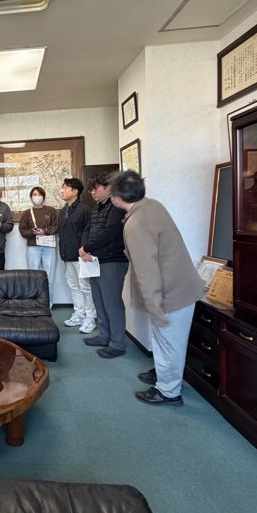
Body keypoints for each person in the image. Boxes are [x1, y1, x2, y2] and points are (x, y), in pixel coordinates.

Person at [109, 170, 204, 406]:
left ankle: (169, 392)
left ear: (117, 198)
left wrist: (155, 308)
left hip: (171, 292)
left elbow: (147, 271)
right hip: (181, 285)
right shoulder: (152, 205)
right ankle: (164, 374)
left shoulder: (136, 224)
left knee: (169, 342)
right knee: (165, 340)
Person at [78, 172, 129, 358]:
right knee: (99, 301)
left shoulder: (116, 207)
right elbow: (88, 230)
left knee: (112, 304)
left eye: (95, 188)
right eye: (90, 189)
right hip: (95, 261)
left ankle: (117, 344)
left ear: (108, 187)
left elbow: (109, 232)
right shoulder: (97, 208)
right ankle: (104, 335)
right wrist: (83, 248)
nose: (92, 192)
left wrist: (87, 248)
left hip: (112, 261)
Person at [57, 177, 96, 332]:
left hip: (82, 256)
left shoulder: (85, 210)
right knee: (74, 286)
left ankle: (90, 317)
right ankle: (79, 313)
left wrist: (86, 249)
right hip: (67, 256)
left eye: (65, 188)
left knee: (85, 287)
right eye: (62, 187)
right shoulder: (63, 211)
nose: (62, 191)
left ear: (75, 191)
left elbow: (90, 231)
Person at [18, 186, 58, 305]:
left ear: (43, 197)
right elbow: (22, 230)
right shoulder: (27, 213)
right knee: (33, 275)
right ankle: (34, 303)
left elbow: (56, 226)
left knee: (49, 276)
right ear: (31, 197)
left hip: (49, 246)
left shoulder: (51, 210)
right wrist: (33, 232)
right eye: (34, 195)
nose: (37, 197)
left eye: (39, 195)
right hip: (33, 247)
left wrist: (45, 230)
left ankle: (48, 304)